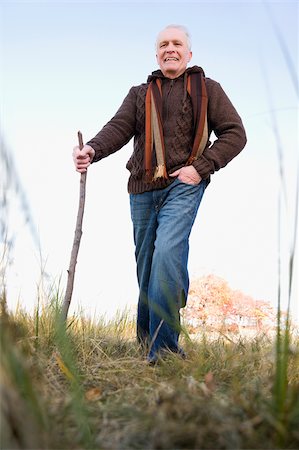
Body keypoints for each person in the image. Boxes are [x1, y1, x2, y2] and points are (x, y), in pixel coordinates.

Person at [73, 24, 247, 363]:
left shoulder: (209, 90)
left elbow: (235, 134)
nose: (171, 48)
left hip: (183, 186)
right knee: (149, 268)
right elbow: (119, 127)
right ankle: (147, 340)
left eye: (177, 43)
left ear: (189, 53)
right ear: (156, 54)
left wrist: (201, 166)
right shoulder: (140, 93)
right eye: (164, 44)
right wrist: (92, 149)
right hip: (141, 189)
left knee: (168, 253)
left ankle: (164, 351)